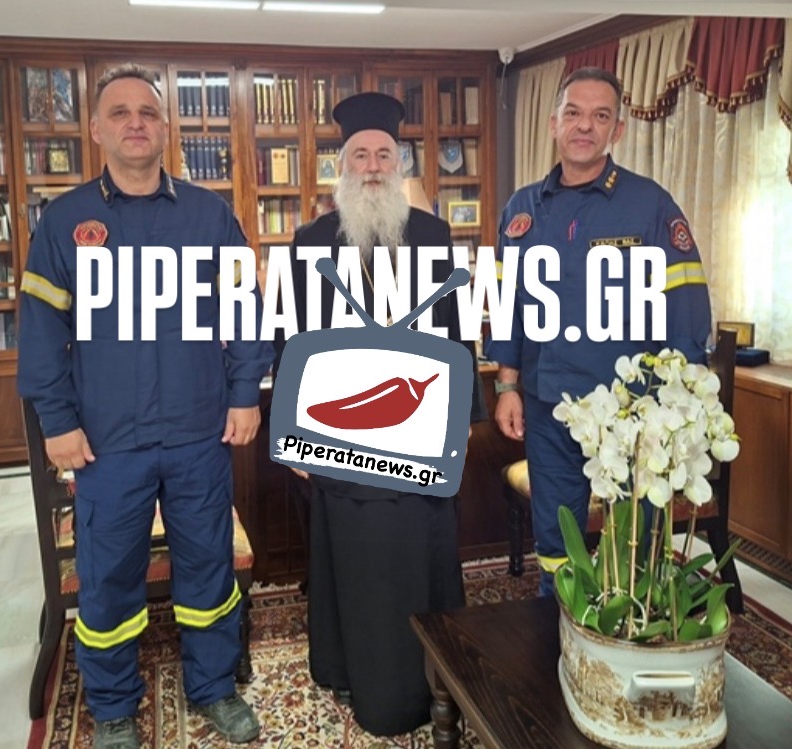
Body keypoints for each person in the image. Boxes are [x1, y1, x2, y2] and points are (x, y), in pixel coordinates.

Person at [17, 63, 271, 748]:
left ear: (165, 129)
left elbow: (246, 308)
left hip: (198, 432)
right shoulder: (64, 223)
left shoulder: (210, 215)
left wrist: (245, 393)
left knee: (208, 566)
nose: (136, 123)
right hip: (107, 441)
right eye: (120, 112)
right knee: (108, 579)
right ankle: (113, 707)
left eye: (148, 112)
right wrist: (57, 420)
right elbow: (40, 333)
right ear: (96, 130)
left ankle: (213, 687)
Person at [271, 91, 487, 737]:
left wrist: (462, 419)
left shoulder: (434, 236)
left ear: (400, 164)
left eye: (383, 155)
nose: (372, 166)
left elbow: (458, 332)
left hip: (419, 429)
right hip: (341, 433)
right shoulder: (309, 242)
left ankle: (433, 676)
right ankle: (356, 672)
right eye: (360, 155)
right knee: (355, 560)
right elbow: (289, 339)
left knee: (421, 553)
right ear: (342, 165)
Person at [485, 67, 713, 596]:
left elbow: (685, 311)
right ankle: (559, 628)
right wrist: (507, 385)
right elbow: (508, 306)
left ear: (618, 130)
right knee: (555, 541)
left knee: (635, 544)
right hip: (548, 406)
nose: (584, 126)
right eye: (573, 113)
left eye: (600, 115)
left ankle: (631, 629)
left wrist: (675, 408)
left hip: (632, 412)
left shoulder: (651, 206)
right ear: (554, 123)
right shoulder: (521, 210)